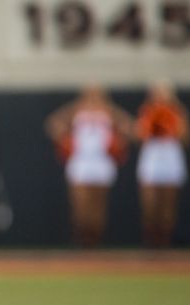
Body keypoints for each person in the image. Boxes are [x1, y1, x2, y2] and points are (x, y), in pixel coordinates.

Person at [46, 84, 133, 247]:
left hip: (101, 162)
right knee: (80, 206)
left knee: (98, 206)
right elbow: (52, 124)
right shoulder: (77, 111)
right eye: (90, 93)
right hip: (81, 162)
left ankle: (96, 242)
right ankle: (81, 241)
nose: (93, 97)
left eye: (97, 93)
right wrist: (66, 140)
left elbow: (130, 127)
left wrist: (117, 141)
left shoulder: (108, 111)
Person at [135, 81, 190, 247]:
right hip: (152, 159)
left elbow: (185, 138)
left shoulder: (177, 112)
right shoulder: (147, 111)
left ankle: (165, 245)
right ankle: (151, 242)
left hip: (170, 158)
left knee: (168, 207)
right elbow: (139, 135)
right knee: (150, 206)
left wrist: (175, 112)